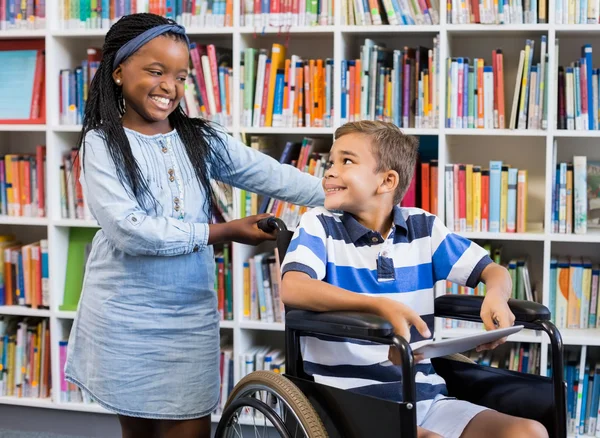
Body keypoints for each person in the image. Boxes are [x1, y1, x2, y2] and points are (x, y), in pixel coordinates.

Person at [64, 13, 324, 438]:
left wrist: (345, 196)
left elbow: (271, 174)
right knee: (140, 431)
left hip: (189, 316)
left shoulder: (200, 138)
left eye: (180, 76)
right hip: (125, 317)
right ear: (117, 72)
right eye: (155, 71)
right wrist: (221, 232)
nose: (170, 86)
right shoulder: (101, 143)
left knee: (191, 426)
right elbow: (130, 229)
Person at [280, 120, 549, 438]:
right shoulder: (318, 225)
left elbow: (494, 271)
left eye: (346, 161)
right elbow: (293, 287)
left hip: (424, 396)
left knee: (529, 431)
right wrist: (379, 306)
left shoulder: (424, 228)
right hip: (352, 403)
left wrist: (496, 296)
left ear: (387, 181)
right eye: (331, 161)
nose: (329, 171)